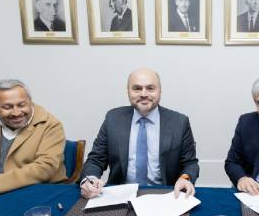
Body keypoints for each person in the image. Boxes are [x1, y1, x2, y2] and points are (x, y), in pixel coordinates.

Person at [79, 68, 199, 199]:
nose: (143, 94)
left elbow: (190, 164)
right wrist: (90, 180)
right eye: (137, 88)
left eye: (150, 88)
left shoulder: (179, 122)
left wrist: (185, 178)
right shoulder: (113, 118)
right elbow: (96, 160)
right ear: (128, 92)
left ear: (160, 91)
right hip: (120, 195)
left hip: (165, 195)